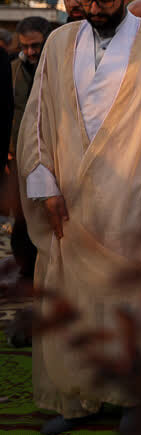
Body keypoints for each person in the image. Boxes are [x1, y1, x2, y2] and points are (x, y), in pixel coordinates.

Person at [19, 0, 141, 435]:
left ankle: (135, 398)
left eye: (104, 1)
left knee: (134, 298)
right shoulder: (58, 42)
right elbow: (36, 119)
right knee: (69, 298)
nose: (92, 10)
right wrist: (44, 183)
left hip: (134, 201)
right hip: (69, 202)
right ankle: (74, 401)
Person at [9, 16, 48, 279]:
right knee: (21, 217)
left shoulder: (60, 67)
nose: (30, 52)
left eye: (35, 45)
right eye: (25, 46)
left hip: (52, 155)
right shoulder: (12, 70)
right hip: (17, 156)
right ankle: (26, 269)